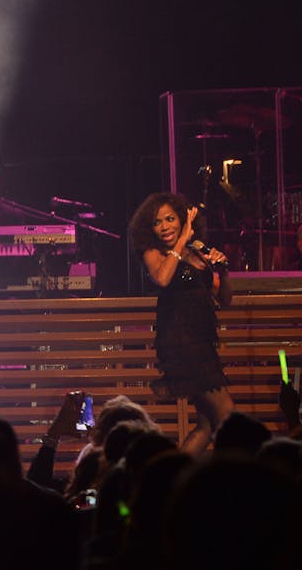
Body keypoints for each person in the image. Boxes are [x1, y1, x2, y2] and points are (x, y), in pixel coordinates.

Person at [128, 191, 234, 454]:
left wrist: (223, 269)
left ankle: (173, 482)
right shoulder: (153, 252)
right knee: (230, 419)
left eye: (170, 219)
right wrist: (182, 240)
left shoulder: (198, 252)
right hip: (181, 344)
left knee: (208, 426)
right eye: (157, 222)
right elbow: (162, 279)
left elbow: (225, 299)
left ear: (183, 219)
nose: (164, 226)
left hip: (203, 341)